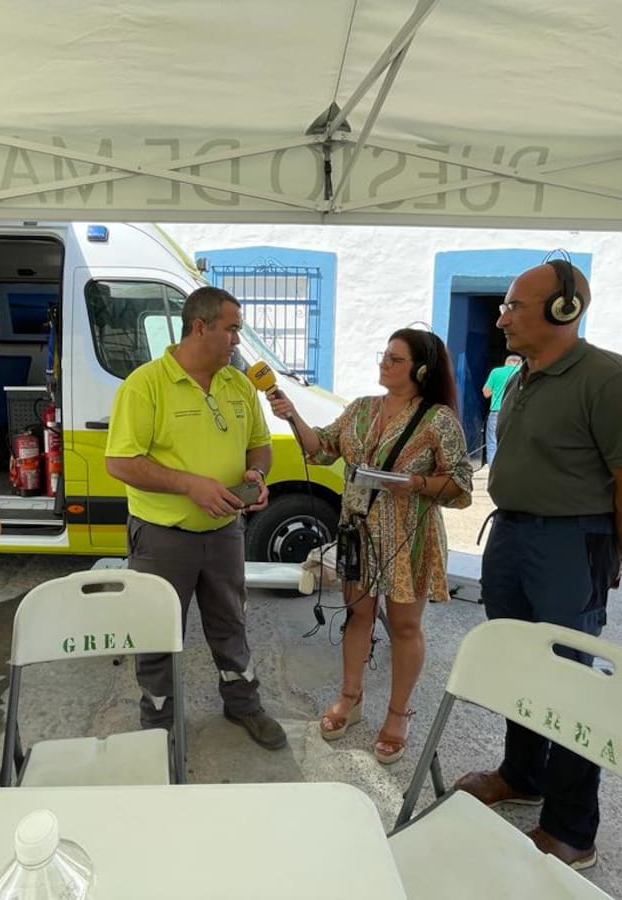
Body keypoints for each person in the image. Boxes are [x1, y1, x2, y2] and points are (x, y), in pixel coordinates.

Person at [452, 262, 622, 869]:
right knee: (519, 667)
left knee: (572, 685)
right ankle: (523, 775)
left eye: (514, 306)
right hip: (512, 537)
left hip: (571, 545)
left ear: (564, 310)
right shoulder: (522, 377)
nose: (502, 318)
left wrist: (605, 551)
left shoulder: (612, 381)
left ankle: (572, 830)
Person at [268, 328, 472, 764]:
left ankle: (398, 714)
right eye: (385, 355)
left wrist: (414, 483)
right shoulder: (361, 409)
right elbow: (321, 449)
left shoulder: (438, 420)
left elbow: (460, 486)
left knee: (404, 627)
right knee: (357, 615)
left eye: (396, 359)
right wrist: (291, 415)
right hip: (357, 532)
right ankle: (350, 698)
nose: (384, 363)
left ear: (420, 370)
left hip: (408, 537)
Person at [104, 286, 286, 750]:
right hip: (162, 537)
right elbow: (120, 462)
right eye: (232, 329)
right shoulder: (145, 385)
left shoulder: (238, 384)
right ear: (200, 327)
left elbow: (260, 447)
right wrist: (190, 485)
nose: (237, 340)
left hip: (225, 531)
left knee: (231, 624)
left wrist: (256, 474)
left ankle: (242, 703)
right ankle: (159, 722)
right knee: (158, 629)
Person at [482, 353, 521, 464]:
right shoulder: (523, 372)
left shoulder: (496, 372)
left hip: (497, 411)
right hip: (517, 412)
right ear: (519, 363)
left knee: (492, 443)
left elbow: (486, 393)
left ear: (506, 363)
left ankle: (493, 470)